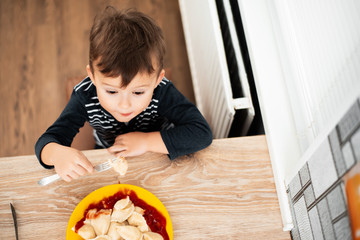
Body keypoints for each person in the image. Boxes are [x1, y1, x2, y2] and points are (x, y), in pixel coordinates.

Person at [35, 7, 212, 182]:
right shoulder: (84, 96)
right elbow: (47, 141)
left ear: (158, 80)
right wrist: (56, 154)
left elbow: (201, 133)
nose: (124, 105)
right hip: (108, 152)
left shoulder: (163, 91)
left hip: (159, 149)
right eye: (112, 91)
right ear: (93, 77)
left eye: (138, 92)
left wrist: (146, 142)